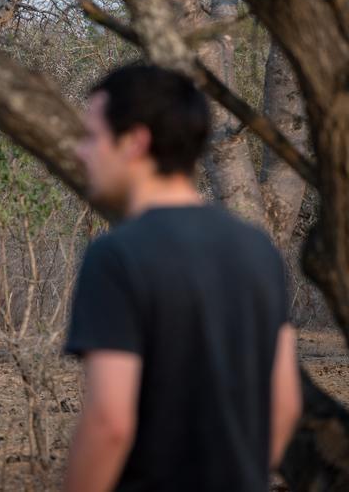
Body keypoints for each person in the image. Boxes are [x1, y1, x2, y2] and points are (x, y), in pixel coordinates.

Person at [62, 64, 301, 492]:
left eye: (91, 137)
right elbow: (284, 404)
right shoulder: (258, 250)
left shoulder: (116, 256)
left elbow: (109, 423)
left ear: (135, 142)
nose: (81, 152)